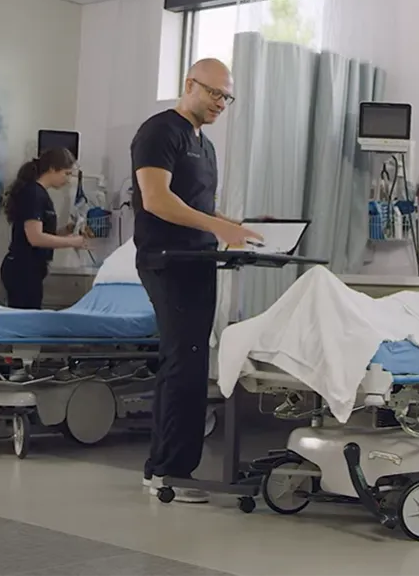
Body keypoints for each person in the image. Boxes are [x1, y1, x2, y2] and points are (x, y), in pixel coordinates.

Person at [132, 58, 262, 504]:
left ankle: (176, 467)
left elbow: (202, 206)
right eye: (214, 93)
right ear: (190, 84)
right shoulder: (160, 131)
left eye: (227, 97)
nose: (221, 103)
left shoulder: (204, 146)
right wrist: (217, 228)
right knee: (180, 363)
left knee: (192, 364)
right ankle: (165, 471)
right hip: (167, 261)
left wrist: (238, 228)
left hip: (198, 262)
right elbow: (156, 199)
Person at [0, 148, 87, 309]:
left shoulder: (40, 194)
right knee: (25, 321)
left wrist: (66, 231)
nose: (68, 180)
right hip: (22, 269)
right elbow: (35, 238)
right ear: (53, 169)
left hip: (30, 268)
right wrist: (73, 242)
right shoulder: (34, 194)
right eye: (67, 174)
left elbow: (40, 234)